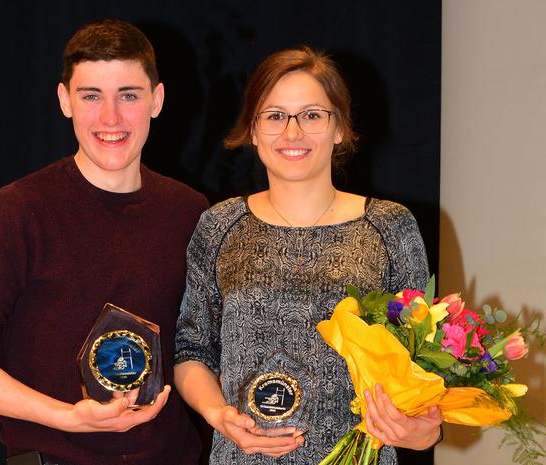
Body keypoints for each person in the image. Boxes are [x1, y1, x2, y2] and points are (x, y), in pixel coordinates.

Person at [0, 19, 208, 465]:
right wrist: (65, 418)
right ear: (64, 100)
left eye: (128, 96)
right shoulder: (19, 211)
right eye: (91, 96)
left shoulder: (190, 211)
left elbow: (202, 349)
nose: (110, 118)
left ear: (157, 101)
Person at [174, 47, 443, 464]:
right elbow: (191, 351)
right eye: (275, 115)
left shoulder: (391, 226)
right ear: (253, 130)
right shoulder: (219, 224)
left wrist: (420, 431)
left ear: (339, 128)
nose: (292, 133)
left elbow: (422, 365)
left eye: (312, 115)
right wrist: (218, 414)